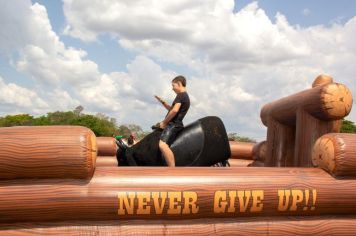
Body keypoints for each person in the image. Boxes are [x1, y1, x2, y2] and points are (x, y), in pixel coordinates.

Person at [154, 75, 190, 167]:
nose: (172, 88)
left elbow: (174, 110)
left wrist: (164, 122)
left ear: (179, 84)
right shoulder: (184, 96)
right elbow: (171, 109)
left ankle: (172, 169)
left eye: (173, 86)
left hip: (173, 124)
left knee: (162, 145)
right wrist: (162, 102)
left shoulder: (181, 95)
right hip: (175, 124)